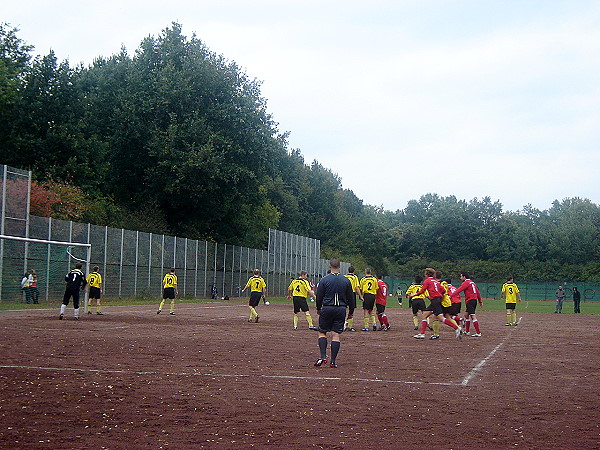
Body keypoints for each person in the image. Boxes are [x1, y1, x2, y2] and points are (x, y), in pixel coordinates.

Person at [314, 257, 354, 368]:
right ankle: (333, 361)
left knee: (322, 332)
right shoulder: (346, 280)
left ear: (329, 266)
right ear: (340, 266)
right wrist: (351, 312)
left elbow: (319, 297)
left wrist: (318, 308)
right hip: (340, 309)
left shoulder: (324, 280)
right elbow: (351, 298)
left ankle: (323, 356)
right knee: (336, 335)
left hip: (327, 308)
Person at [409, 268, 461, 340]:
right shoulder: (435, 282)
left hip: (435, 301)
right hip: (437, 300)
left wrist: (414, 295)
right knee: (424, 315)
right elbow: (443, 290)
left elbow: (423, 290)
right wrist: (439, 295)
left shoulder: (427, 281)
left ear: (427, 274)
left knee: (441, 318)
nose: (424, 275)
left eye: (425, 273)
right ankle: (422, 334)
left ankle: (456, 328)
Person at [455, 271, 483, 337]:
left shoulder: (466, 283)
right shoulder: (472, 283)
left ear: (464, 277)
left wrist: (451, 296)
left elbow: (459, 290)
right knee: (466, 315)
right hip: (474, 300)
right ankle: (467, 331)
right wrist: (480, 301)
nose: (460, 278)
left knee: (473, 316)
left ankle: (478, 332)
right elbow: (478, 293)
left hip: (470, 300)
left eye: (461, 276)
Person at [344, 265, 363, 332]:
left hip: (345, 293)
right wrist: (360, 296)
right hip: (352, 293)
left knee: (343, 308)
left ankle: (343, 323)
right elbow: (357, 287)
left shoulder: (345, 276)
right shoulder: (355, 277)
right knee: (351, 310)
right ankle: (350, 326)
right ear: (354, 271)